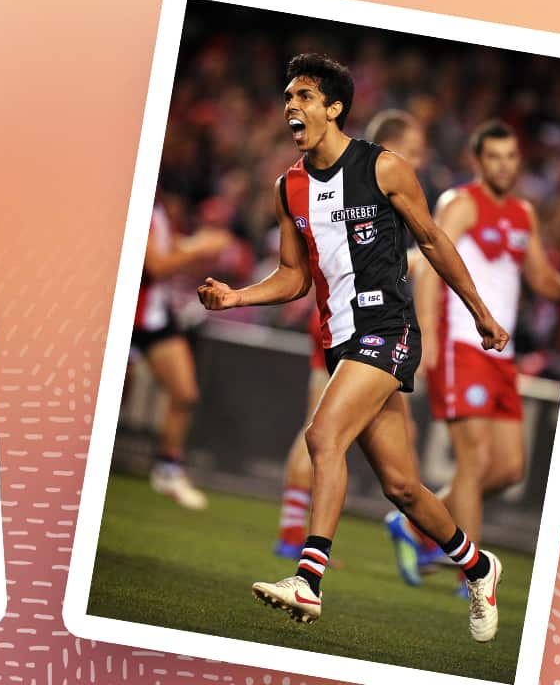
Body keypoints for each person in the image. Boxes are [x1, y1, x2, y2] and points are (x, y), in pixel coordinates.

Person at [198, 54, 507, 642]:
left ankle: (308, 579)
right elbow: (293, 277)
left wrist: (481, 313)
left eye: (305, 96)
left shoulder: (384, 167)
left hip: (389, 331)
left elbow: (435, 243)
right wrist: (235, 297)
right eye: (289, 96)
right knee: (402, 486)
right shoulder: (288, 187)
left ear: (334, 107)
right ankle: (478, 566)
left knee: (322, 435)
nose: (292, 105)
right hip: (342, 341)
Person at [387, 120, 560, 591]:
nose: (504, 165)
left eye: (511, 157)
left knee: (507, 469)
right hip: (461, 344)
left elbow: (540, 278)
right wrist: (428, 332)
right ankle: (471, 577)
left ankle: (415, 526)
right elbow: (431, 262)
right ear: (477, 161)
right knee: (473, 463)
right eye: (494, 156)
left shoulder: (523, 213)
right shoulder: (461, 203)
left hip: (501, 354)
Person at [273, 109, 428, 561]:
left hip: (365, 327)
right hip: (343, 326)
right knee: (320, 431)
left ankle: (436, 542)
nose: (417, 161)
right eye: (413, 152)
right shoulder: (363, 179)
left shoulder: (379, 187)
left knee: (344, 436)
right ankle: (292, 538)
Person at [133, 201, 231, 509]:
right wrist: (200, 248)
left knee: (185, 394)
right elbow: (157, 266)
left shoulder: (159, 205)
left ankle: (168, 469)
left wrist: (191, 244)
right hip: (128, 314)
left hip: (156, 316)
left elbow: (165, 249)